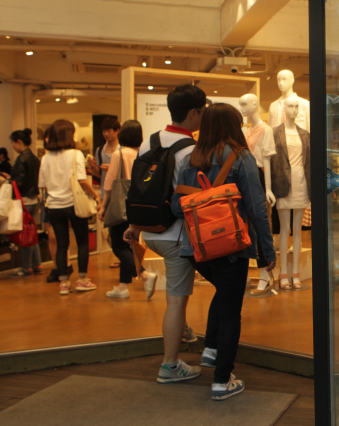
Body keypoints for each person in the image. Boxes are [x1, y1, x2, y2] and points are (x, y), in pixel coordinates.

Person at [172, 103, 276, 401]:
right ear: (233, 126)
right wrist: (266, 253)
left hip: (196, 248)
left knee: (224, 294)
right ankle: (221, 380)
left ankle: (211, 349)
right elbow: (257, 210)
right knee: (232, 311)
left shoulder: (190, 159)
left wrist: (202, 199)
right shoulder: (241, 157)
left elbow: (177, 206)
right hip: (231, 246)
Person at [124, 84, 206, 383]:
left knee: (177, 297)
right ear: (194, 113)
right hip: (177, 236)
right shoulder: (192, 150)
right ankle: (170, 366)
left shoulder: (149, 142)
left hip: (150, 231)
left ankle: (182, 331)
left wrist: (134, 226)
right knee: (176, 300)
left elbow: (137, 187)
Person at [39, 119, 99, 295]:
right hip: (74, 204)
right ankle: (82, 280)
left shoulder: (45, 158)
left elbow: (42, 186)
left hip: (54, 207)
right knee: (82, 242)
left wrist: (49, 199)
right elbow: (82, 180)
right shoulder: (75, 154)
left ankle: (64, 284)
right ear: (69, 134)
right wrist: (95, 196)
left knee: (62, 245)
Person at [98, 120, 157, 299]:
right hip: (138, 206)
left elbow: (110, 184)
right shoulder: (143, 153)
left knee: (117, 245)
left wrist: (103, 206)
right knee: (129, 245)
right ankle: (123, 287)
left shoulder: (119, 154)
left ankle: (145, 275)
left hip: (121, 205)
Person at [0, 129, 42, 277]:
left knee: (25, 235)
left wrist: (6, 181)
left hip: (24, 201)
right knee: (31, 233)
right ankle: (37, 264)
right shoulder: (34, 158)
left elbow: (19, 183)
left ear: (19, 142)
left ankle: (26, 267)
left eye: (13, 143)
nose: (13, 147)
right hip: (33, 199)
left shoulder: (22, 159)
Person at [41, 127, 73, 283]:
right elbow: (42, 183)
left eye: (50, 136)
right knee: (52, 237)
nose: (48, 139)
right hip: (50, 200)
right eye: (46, 137)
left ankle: (65, 266)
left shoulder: (70, 155)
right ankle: (58, 267)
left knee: (58, 238)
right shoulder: (46, 158)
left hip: (64, 201)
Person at [89, 116, 121, 268]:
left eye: (109, 131)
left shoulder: (121, 149)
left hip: (120, 193)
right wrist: (94, 167)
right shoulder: (100, 150)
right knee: (106, 230)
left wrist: (112, 168)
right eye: (104, 131)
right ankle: (120, 254)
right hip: (105, 192)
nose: (106, 134)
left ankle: (124, 256)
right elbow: (98, 175)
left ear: (117, 131)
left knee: (119, 228)